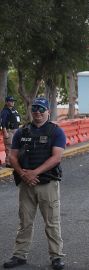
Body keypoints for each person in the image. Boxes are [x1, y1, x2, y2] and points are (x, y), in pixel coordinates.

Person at [3, 97, 66, 269]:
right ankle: (19, 255)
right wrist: (23, 174)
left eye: (41, 108)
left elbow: (57, 157)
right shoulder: (22, 132)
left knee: (52, 222)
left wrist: (34, 173)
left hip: (47, 183)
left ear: (48, 111)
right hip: (26, 184)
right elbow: (12, 156)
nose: (37, 111)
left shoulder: (55, 132)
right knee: (24, 221)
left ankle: (56, 257)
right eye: (34, 108)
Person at [0, 96, 21, 167]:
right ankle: (8, 163)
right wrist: (5, 132)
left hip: (16, 130)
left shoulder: (14, 110)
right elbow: (2, 122)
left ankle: (14, 161)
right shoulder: (5, 111)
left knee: (16, 146)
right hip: (9, 130)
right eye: (11, 101)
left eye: (13, 101)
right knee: (9, 146)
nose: (12, 102)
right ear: (6, 102)